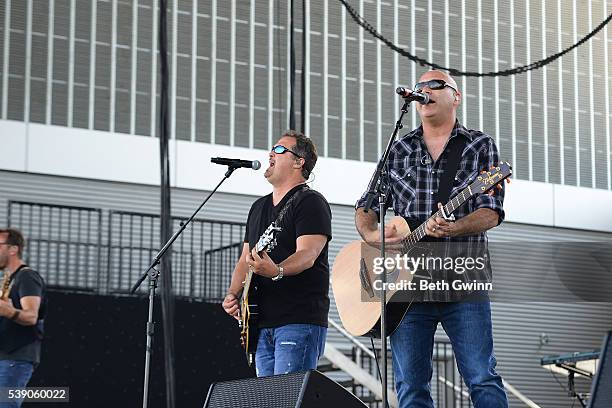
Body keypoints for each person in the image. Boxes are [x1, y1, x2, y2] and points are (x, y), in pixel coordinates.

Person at [355, 70, 509, 407]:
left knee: (481, 377)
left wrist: (453, 228)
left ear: (456, 97)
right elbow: (366, 206)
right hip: (406, 288)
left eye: (435, 85)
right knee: (410, 385)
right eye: (420, 86)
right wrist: (370, 234)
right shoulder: (399, 149)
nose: (424, 90)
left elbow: (491, 212)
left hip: (464, 281)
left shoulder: (479, 146)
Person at [222, 130, 332, 377]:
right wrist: (233, 293)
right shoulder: (258, 207)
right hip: (261, 322)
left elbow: (308, 254)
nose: (271, 153)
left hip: (298, 318)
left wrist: (278, 270)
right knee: (269, 399)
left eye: (280, 149)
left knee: (288, 398)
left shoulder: (311, 201)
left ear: (298, 162)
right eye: (272, 148)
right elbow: (245, 258)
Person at [0, 228, 46, 408]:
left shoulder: (27, 277)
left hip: (15, 359)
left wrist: (7, 310)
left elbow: (31, 316)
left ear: (13, 249)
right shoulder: (9, 279)